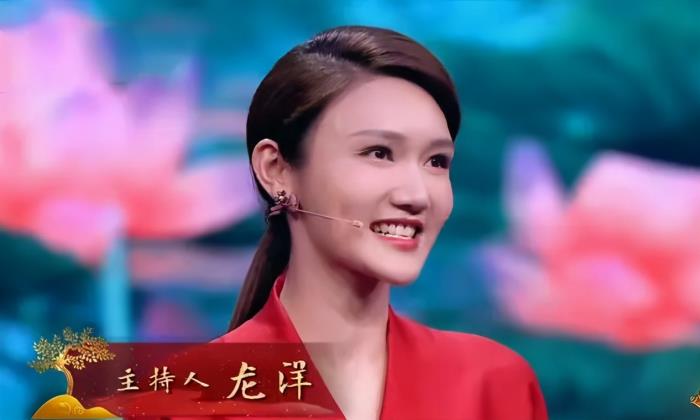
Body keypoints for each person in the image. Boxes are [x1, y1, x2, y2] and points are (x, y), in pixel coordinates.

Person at [214, 25, 548, 420]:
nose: (417, 195)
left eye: (436, 161)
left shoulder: (493, 384)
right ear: (276, 170)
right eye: (379, 153)